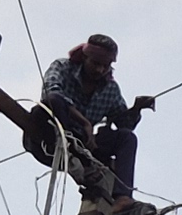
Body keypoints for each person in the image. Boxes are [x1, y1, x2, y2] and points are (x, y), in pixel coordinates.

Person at [40, 34, 151, 197]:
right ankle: (68, 150)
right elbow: (51, 91)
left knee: (127, 138)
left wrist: (136, 109)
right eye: (96, 64)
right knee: (55, 101)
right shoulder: (63, 67)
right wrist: (85, 123)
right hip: (53, 131)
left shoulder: (110, 89)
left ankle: (123, 198)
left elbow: (123, 123)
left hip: (84, 145)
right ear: (85, 57)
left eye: (105, 66)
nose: (100, 70)